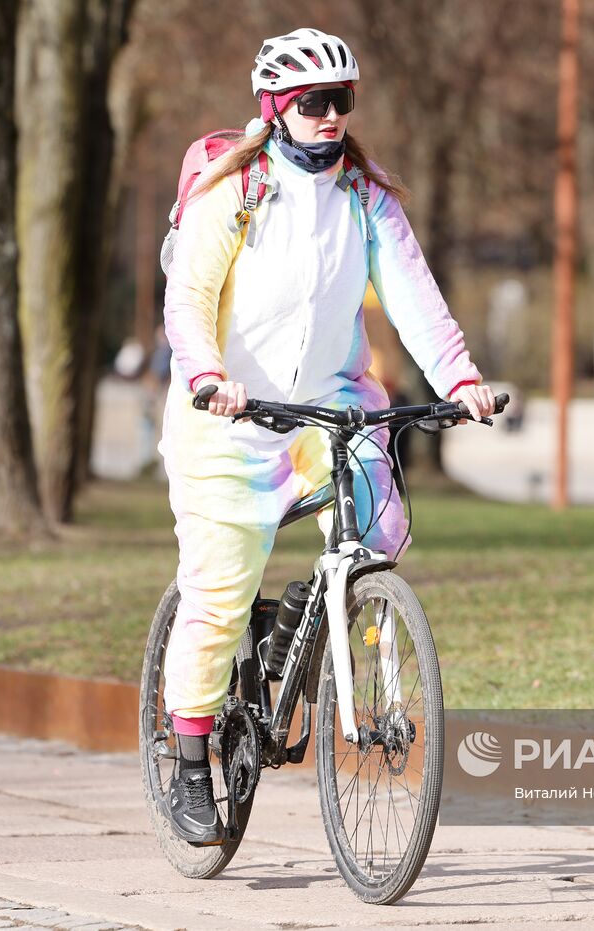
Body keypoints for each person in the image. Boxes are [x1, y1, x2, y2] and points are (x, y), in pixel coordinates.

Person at [157, 27, 495, 845]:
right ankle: (193, 762)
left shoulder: (366, 198)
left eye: (342, 100)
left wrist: (459, 378)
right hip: (229, 415)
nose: (331, 116)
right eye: (314, 102)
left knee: (375, 531)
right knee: (218, 592)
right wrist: (205, 374)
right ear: (274, 109)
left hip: (331, 405)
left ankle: (318, 604)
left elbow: (415, 297)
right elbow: (190, 297)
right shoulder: (233, 193)